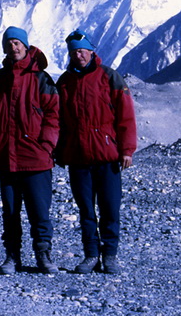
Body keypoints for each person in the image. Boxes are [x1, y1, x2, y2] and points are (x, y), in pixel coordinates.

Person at [56, 29, 137, 275]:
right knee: (86, 210)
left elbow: (125, 116)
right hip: (78, 157)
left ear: (92, 51)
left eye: (82, 50)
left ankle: (109, 255)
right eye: (74, 52)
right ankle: (91, 254)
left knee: (110, 208)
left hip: (108, 156)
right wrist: (60, 151)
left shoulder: (110, 77)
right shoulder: (64, 82)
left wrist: (127, 150)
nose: (78, 55)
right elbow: (58, 120)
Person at [0, 26, 60, 275]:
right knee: (11, 211)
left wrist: (47, 145)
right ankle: (12, 255)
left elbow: (53, 115)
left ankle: (43, 254)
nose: (14, 48)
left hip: (36, 157)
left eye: (17, 43)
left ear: (26, 46)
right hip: (6, 157)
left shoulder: (42, 79)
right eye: (9, 44)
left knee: (39, 211)